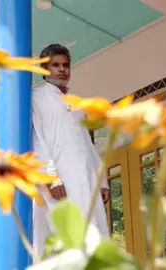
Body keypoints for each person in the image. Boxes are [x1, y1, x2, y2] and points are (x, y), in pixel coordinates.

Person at [32, 44, 110, 256]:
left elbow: (86, 143)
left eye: (65, 65)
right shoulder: (36, 97)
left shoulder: (74, 102)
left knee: (94, 238)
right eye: (55, 65)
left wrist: (101, 181)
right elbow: (36, 139)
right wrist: (51, 176)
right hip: (59, 182)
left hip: (85, 178)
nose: (61, 70)